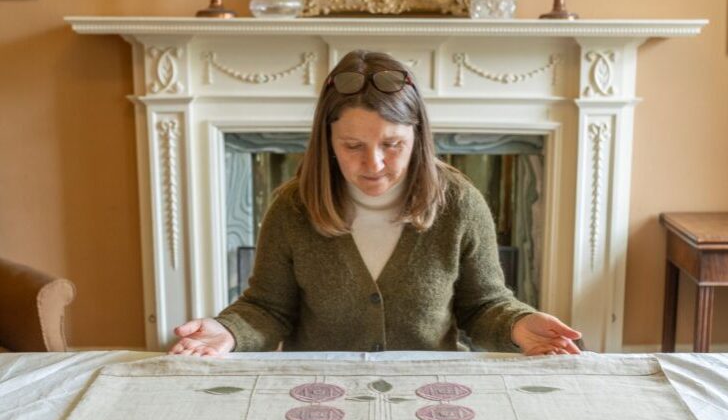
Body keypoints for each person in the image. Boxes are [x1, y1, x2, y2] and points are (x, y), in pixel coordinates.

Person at [169, 50, 582, 358]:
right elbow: (268, 308)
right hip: (318, 392)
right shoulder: (292, 208)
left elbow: (483, 306)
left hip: (430, 394)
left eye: (392, 144)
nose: (374, 164)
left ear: (418, 138)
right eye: (352, 146)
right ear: (327, 143)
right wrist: (228, 331)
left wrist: (519, 324)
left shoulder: (459, 204)